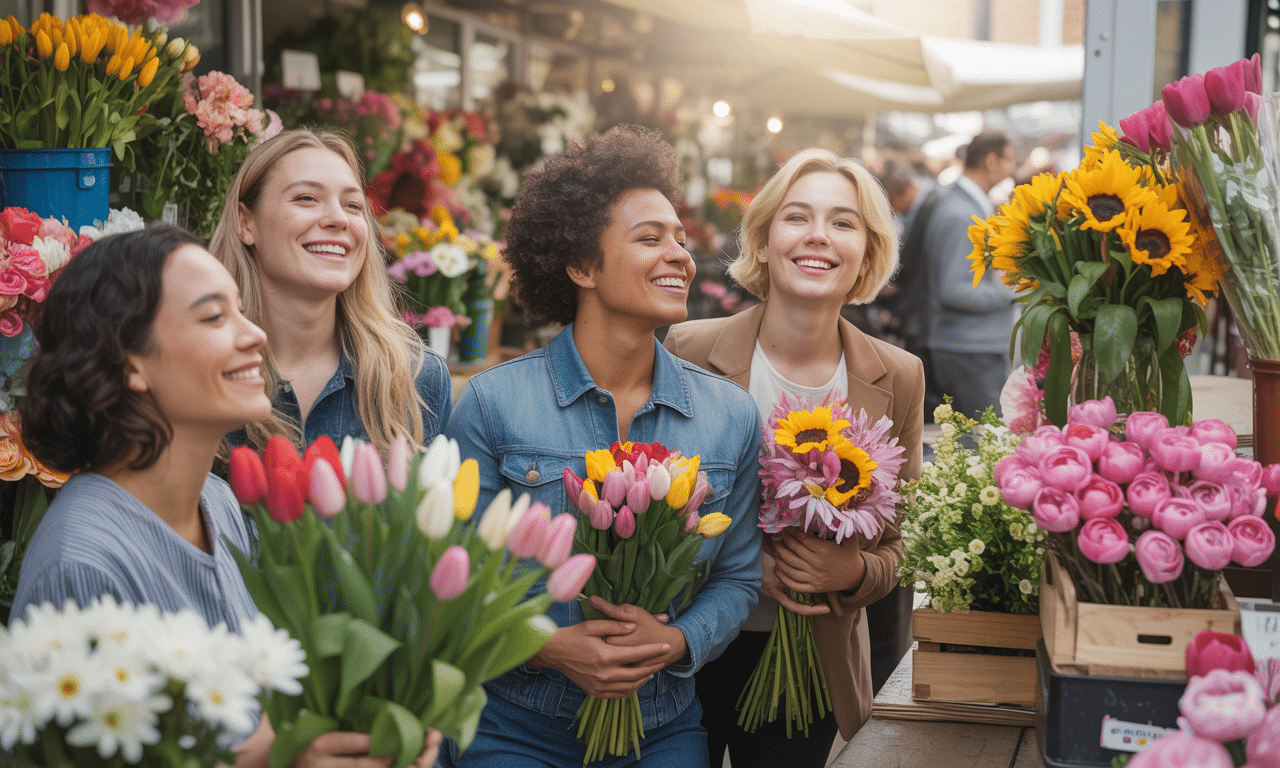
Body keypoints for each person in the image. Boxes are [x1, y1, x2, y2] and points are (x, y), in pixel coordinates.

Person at [12, 225, 440, 767]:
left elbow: (243, 725)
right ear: (129, 363)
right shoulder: (82, 567)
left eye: (241, 309)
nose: (254, 335)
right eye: (215, 316)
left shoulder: (216, 503)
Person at [442, 125, 763, 766]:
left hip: (663, 729)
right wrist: (548, 644)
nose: (679, 254)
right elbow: (452, 578)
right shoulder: (491, 404)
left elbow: (738, 578)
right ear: (582, 265)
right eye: (650, 238)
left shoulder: (729, 416)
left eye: (679, 237)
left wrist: (675, 641)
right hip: (513, 727)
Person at [663, 148, 925, 767]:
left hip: (810, 658)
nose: (818, 236)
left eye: (843, 222)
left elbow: (906, 541)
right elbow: (652, 506)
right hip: (686, 650)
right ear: (763, 238)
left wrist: (853, 574)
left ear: (867, 251)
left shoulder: (900, 376)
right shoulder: (686, 350)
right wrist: (747, 562)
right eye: (797, 217)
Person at [208, 128, 451, 454]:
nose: (338, 218)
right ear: (245, 222)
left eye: (353, 205)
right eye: (306, 198)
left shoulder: (415, 378)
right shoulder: (203, 373)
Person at [922, 130, 1019, 419]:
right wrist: (1015, 290)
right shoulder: (962, 213)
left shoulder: (966, 204)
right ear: (992, 161)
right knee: (984, 442)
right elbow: (954, 289)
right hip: (970, 349)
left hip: (971, 346)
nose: (1014, 167)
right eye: (1011, 160)